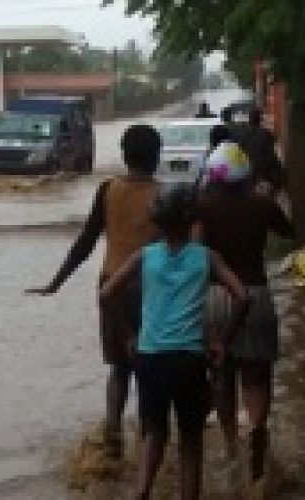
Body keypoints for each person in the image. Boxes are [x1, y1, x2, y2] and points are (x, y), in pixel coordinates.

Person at [100, 184, 250, 500]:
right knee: (191, 441)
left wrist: (129, 334)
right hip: (189, 359)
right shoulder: (206, 258)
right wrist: (223, 341)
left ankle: (141, 493)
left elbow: (107, 294)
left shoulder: (145, 256)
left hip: (150, 357)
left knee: (155, 433)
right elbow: (243, 296)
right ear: (192, 221)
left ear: (159, 223)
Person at [26, 124, 163, 458]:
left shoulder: (107, 190)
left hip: (111, 289)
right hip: (154, 292)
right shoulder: (166, 196)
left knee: (119, 368)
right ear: (157, 156)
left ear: (124, 155)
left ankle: (113, 437)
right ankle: (151, 444)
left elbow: (85, 242)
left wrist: (56, 282)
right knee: (151, 371)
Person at [197, 140, 294, 487]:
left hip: (213, 296)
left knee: (222, 374)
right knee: (257, 375)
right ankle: (257, 429)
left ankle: (229, 445)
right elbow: (289, 233)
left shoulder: (201, 207)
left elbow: (193, 252)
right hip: (255, 294)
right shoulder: (262, 204)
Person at [238, 108, 285, 196]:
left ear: (249, 119)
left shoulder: (242, 135)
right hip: (263, 173)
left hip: (248, 174)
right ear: (260, 120)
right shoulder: (265, 134)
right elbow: (271, 154)